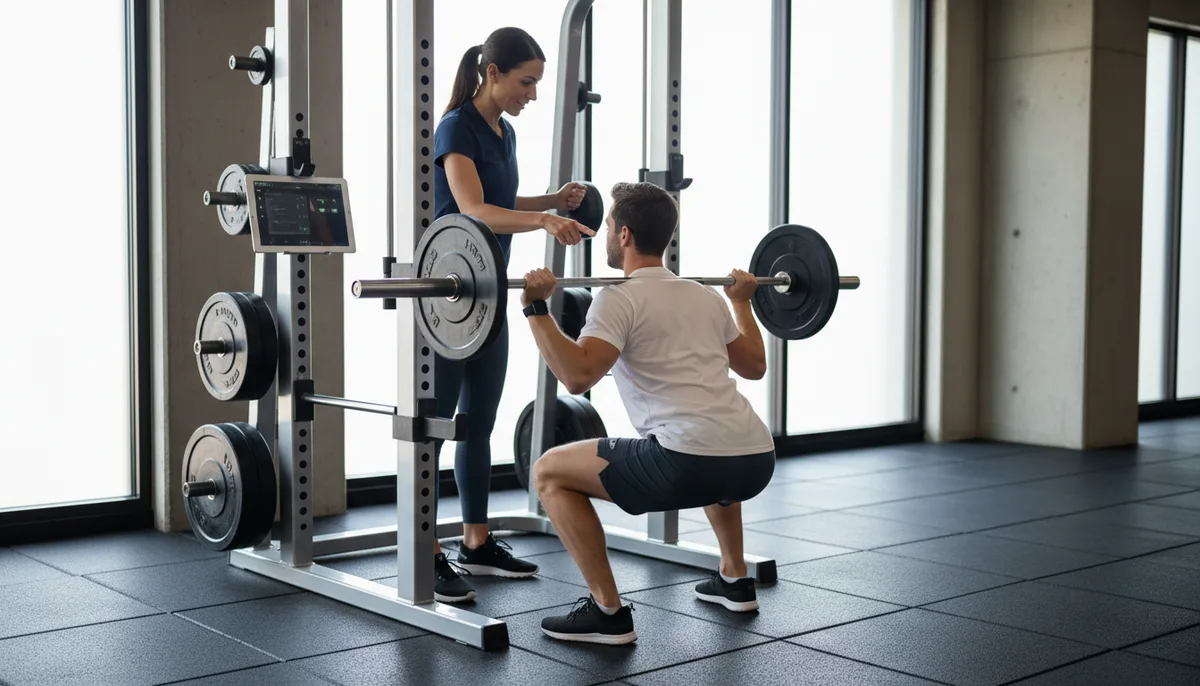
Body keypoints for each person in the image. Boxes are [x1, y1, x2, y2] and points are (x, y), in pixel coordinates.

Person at [520, 181, 776, 644]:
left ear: (623, 235)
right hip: (756, 457)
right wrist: (742, 303)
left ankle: (608, 613)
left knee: (547, 473)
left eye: (611, 225)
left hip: (686, 463)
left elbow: (577, 377)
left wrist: (536, 308)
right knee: (711, 432)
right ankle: (735, 579)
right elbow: (755, 366)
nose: (608, 233)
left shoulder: (618, 298)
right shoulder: (706, 295)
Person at [430, 27, 596, 603]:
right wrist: (545, 224)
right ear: (493, 73)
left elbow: (502, 198)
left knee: (480, 423)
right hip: (445, 295)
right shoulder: (455, 128)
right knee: (435, 424)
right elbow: (474, 209)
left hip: (487, 291)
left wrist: (552, 201)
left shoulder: (506, 132)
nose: (532, 93)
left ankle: (475, 543)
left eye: (536, 84)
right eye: (526, 82)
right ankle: (425, 551)